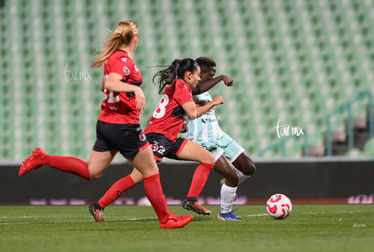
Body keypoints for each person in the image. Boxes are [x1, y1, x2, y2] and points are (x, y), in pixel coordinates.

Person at [18, 20, 193, 229]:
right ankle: (165, 219)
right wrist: (136, 91)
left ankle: (44, 158)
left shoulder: (113, 59)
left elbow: (104, 86)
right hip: (124, 126)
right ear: (135, 39)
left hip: (106, 123)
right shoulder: (123, 60)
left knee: (91, 171)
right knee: (151, 171)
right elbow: (110, 84)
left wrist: (125, 96)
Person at [88, 57, 255, 222]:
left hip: (170, 137)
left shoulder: (179, 86)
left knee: (208, 158)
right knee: (137, 177)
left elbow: (176, 114)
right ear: (188, 75)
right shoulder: (181, 85)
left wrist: (179, 124)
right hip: (157, 137)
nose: (199, 78)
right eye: (197, 75)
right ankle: (99, 206)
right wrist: (214, 103)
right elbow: (192, 113)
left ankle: (191, 199)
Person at [188, 57, 256, 221]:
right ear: (199, 73)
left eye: (215, 75)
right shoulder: (188, 87)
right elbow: (196, 90)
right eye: (210, 75)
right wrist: (221, 78)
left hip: (219, 135)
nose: (213, 78)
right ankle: (225, 213)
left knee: (249, 168)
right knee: (233, 177)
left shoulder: (206, 91)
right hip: (204, 141)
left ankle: (229, 184)